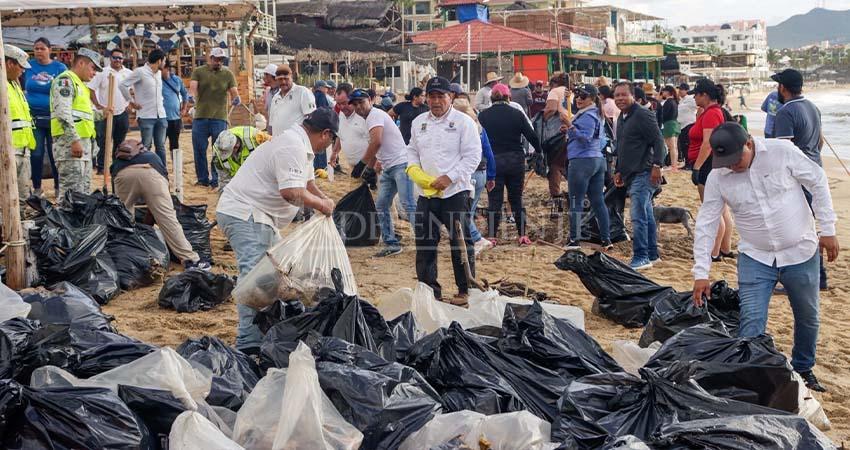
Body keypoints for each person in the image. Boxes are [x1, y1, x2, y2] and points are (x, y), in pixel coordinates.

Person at [692, 122, 838, 393]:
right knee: (751, 319)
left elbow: (817, 181)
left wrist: (828, 229)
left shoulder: (782, 152)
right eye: (726, 161)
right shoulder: (718, 176)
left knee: (808, 316)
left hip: (801, 251)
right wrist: (701, 272)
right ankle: (750, 375)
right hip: (755, 256)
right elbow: (706, 222)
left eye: (737, 159)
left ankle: (804, 369)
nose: (732, 166)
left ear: (749, 143)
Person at [216, 108, 337, 353]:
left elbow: (308, 183)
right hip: (245, 213)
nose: (329, 145)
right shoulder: (291, 146)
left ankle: (275, 328)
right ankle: (248, 343)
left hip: (262, 216)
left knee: (278, 273)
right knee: (254, 277)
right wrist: (321, 205)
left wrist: (326, 201)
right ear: (325, 134)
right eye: (332, 140)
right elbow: (291, 191)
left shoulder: (302, 147)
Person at [406, 76, 481, 305]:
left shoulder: (463, 122)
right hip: (427, 193)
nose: (436, 101)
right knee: (425, 241)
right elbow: (412, 150)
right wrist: (415, 171)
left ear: (451, 97)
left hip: (455, 192)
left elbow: (473, 156)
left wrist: (450, 177)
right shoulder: (419, 122)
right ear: (426, 98)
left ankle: (465, 289)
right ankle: (429, 290)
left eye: (441, 96)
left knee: (460, 241)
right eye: (432, 96)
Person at [111, 139, 209, 270]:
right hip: (152, 174)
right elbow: (158, 205)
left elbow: (113, 205)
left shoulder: (117, 162)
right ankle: (190, 259)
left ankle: (123, 258)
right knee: (168, 219)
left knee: (122, 218)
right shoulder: (153, 157)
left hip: (123, 175)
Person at [771, 68, 828, 291]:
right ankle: (820, 276)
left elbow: (783, 150)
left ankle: (811, 277)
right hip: (815, 170)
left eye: (778, 85)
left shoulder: (786, 112)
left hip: (797, 178)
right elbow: (820, 142)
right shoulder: (812, 107)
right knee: (810, 226)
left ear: (783, 88)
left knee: (796, 228)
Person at [348, 89, 416, 257]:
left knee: (408, 204)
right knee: (381, 204)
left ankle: (426, 240)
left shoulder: (375, 115)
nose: (359, 107)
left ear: (370, 101)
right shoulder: (369, 119)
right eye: (355, 104)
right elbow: (376, 145)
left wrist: (362, 165)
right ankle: (391, 243)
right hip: (388, 167)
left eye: (361, 103)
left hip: (401, 163)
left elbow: (376, 142)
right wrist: (370, 169)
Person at [478, 83, 541, 247]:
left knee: (494, 200)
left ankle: (492, 236)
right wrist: (539, 151)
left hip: (493, 162)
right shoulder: (517, 114)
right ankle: (522, 235)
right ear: (509, 97)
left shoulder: (483, 116)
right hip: (515, 160)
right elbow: (532, 136)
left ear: (491, 99)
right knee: (516, 199)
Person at [612, 82, 664, 270]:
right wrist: (618, 169)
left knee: (638, 215)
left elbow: (658, 141)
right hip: (630, 173)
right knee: (647, 214)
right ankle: (652, 254)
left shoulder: (642, 114)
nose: (619, 99)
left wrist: (657, 165)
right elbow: (623, 147)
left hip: (645, 172)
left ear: (633, 96)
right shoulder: (623, 117)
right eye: (616, 95)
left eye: (623, 95)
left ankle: (641, 256)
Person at [689, 78, 735, 262]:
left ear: (705, 95)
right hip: (715, 164)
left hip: (709, 165)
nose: (694, 98)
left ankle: (714, 252)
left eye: (696, 95)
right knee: (722, 209)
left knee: (712, 210)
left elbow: (708, 143)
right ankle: (724, 248)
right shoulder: (714, 112)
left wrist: (697, 167)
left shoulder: (711, 114)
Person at [562, 84, 611, 250]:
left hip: (582, 161)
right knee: (598, 201)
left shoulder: (589, 115)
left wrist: (570, 127)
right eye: (577, 95)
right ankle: (606, 239)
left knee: (576, 201)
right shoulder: (594, 113)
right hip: (597, 160)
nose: (578, 99)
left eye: (582, 96)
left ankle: (574, 240)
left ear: (591, 98)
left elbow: (585, 138)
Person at [50, 48, 102, 198]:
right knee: (70, 195)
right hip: (70, 146)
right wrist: (74, 140)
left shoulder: (81, 86)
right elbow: (63, 113)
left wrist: (103, 113)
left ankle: (78, 222)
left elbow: (85, 115)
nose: (94, 73)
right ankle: (66, 222)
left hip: (84, 146)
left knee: (82, 194)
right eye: (93, 68)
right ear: (81, 63)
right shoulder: (65, 81)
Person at [189, 47, 240, 188]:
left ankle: (216, 179)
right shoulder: (199, 72)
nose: (219, 62)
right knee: (199, 149)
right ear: (210, 58)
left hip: (219, 117)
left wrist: (236, 97)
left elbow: (233, 90)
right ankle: (202, 179)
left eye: (221, 60)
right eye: (216, 59)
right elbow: (193, 87)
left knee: (218, 150)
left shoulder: (228, 74)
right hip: (200, 116)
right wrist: (191, 96)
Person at [452, 98, 496, 256]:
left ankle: (477, 239)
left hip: (469, 174)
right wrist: (491, 176)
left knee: (463, 212)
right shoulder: (478, 127)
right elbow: (489, 151)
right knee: (468, 211)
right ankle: (470, 240)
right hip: (482, 173)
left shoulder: (459, 127)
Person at [25, 37, 65, 198]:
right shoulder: (28, 67)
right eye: (36, 49)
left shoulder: (59, 67)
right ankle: (36, 187)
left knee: (55, 153)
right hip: (34, 118)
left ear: (50, 50)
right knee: (36, 153)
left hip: (53, 118)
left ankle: (57, 186)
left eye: (42, 48)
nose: (39, 52)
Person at [88, 48, 132, 174]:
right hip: (106, 113)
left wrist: (130, 103)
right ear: (110, 59)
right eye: (115, 57)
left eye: (120, 58)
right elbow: (91, 88)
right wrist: (97, 104)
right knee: (104, 141)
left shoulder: (128, 73)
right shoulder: (103, 72)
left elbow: (133, 90)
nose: (118, 60)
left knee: (120, 141)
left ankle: (116, 165)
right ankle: (101, 167)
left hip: (122, 112)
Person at [120, 49, 167, 165]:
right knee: (146, 145)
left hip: (161, 114)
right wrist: (131, 102)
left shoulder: (159, 73)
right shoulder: (140, 72)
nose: (165, 64)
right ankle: (145, 167)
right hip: (146, 115)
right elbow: (122, 85)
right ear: (159, 61)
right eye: (164, 61)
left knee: (161, 145)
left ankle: (162, 168)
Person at [5, 44, 36, 200]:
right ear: (10, 64)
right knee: (6, 197)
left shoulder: (14, 85)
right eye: (21, 66)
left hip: (22, 149)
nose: (23, 70)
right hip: (8, 151)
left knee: (23, 198)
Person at [329, 83, 368, 169]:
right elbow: (341, 136)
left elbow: (375, 142)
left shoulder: (363, 115)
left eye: (344, 103)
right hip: (353, 167)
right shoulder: (341, 115)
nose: (341, 107)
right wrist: (335, 153)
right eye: (338, 104)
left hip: (368, 166)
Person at [268, 64, 315, 136]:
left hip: (296, 142)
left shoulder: (302, 92)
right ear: (276, 80)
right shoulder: (275, 98)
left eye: (286, 79)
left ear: (291, 78)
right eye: (280, 79)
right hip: (278, 142)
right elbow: (272, 124)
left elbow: (312, 118)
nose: (283, 82)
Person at [160, 60, 188, 167]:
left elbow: (184, 94)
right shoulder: (157, 80)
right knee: (160, 144)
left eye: (161, 68)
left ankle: (176, 166)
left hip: (175, 118)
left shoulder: (176, 80)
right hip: (162, 118)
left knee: (175, 143)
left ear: (167, 68)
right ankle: (162, 166)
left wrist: (184, 108)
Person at [677, 82, 697, 169]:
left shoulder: (690, 99)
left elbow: (697, 106)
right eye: (679, 89)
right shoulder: (681, 100)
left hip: (689, 124)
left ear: (687, 90)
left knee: (688, 145)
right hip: (682, 125)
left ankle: (690, 164)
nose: (680, 91)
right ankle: (687, 163)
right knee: (683, 145)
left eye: (682, 89)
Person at [660, 85, 680, 170]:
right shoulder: (675, 102)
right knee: (674, 147)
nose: (663, 93)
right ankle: (674, 164)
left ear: (668, 92)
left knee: (671, 147)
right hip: (675, 124)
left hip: (669, 125)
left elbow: (664, 115)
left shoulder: (668, 102)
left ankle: (673, 166)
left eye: (664, 91)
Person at [260, 63, 278, 132]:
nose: (264, 77)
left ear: (272, 76)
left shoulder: (282, 91)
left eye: (266, 75)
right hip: (271, 128)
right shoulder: (268, 92)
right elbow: (266, 111)